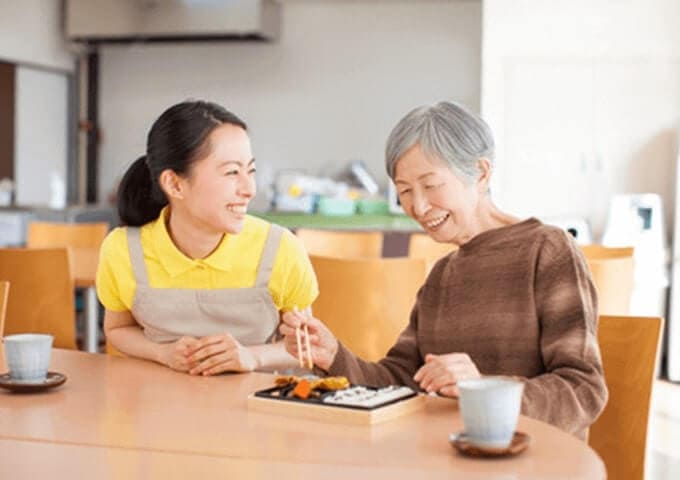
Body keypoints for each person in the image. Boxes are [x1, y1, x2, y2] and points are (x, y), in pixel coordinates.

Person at [281, 101, 607, 439]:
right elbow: (403, 379)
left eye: (431, 184)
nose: (418, 207)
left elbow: (583, 389)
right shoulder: (442, 275)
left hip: (533, 462)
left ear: (480, 173)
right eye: (405, 191)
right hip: (450, 459)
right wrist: (334, 354)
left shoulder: (548, 252)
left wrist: (483, 389)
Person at [96, 100, 318, 375]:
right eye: (232, 172)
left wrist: (251, 357)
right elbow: (117, 329)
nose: (249, 189)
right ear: (175, 184)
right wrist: (162, 353)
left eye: (250, 170)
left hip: (251, 410)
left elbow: (306, 346)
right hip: (157, 406)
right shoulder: (123, 249)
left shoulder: (280, 248)